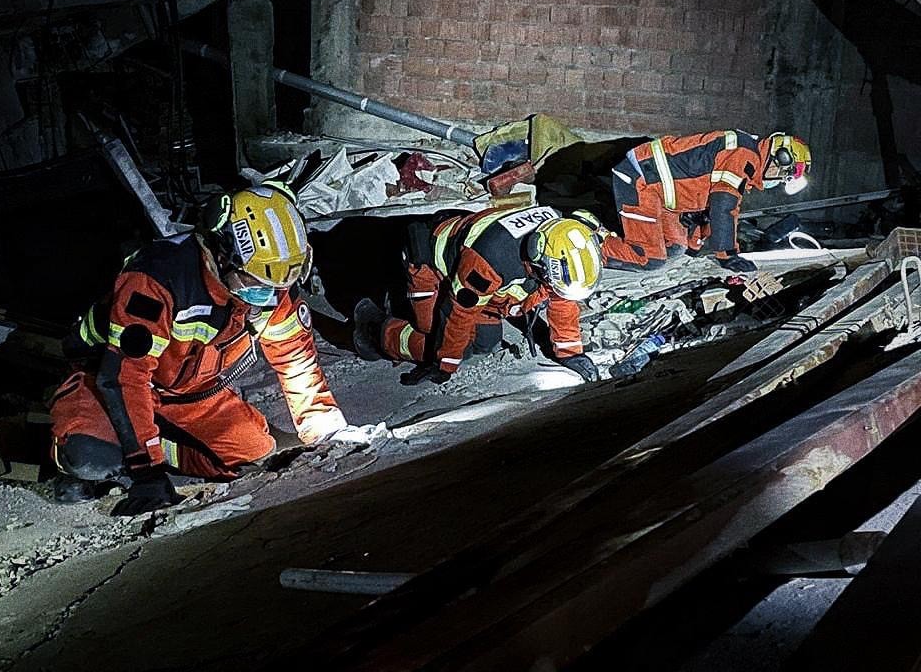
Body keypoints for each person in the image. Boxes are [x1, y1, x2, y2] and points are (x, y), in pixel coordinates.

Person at [50, 183, 365, 515]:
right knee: (90, 456)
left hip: (189, 395)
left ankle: (153, 445)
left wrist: (325, 430)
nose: (270, 296)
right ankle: (106, 450)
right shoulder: (156, 280)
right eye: (255, 283)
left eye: (278, 286)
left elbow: (295, 359)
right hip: (106, 380)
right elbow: (125, 379)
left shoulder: (271, 286)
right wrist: (147, 471)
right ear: (221, 255)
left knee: (256, 452)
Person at [355, 205, 603, 385]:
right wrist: (445, 363)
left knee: (485, 342)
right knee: (437, 341)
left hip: (469, 242)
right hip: (429, 261)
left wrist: (570, 353)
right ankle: (376, 330)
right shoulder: (489, 260)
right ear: (537, 262)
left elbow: (562, 300)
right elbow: (458, 313)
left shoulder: (560, 238)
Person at [600, 131, 812, 272]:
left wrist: (694, 245)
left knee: (676, 248)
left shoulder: (746, 158)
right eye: (784, 175)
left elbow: (708, 210)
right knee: (649, 258)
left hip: (660, 194)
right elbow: (723, 208)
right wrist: (728, 255)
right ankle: (595, 247)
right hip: (641, 181)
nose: (779, 181)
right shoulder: (743, 156)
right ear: (779, 157)